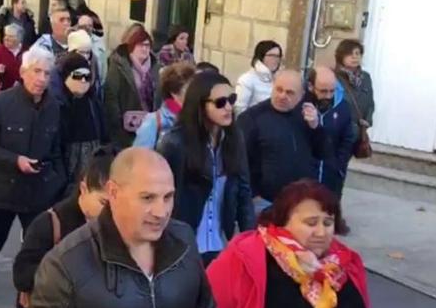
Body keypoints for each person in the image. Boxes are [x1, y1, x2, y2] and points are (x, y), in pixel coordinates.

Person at [22, 147, 217, 308]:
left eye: (168, 197)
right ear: (113, 193)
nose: (161, 212)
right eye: (147, 198)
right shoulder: (66, 264)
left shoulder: (184, 240)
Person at [207, 179, 375, 308]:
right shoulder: (244, 258)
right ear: (283, 221)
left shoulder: (347, 264)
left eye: (327, 223)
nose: (321, 232)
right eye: (311, 223)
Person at [0, 46, 66, 304]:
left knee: (36, 248)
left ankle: (28, 298)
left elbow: (56, 149)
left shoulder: (54, 107)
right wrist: (15, 161)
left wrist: (55, 180)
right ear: (23, 72)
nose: (41, 79)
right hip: (2, 189)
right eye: (36, 71)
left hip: (37, 191)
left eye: (47, 73)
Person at [12, 145, 118, 308]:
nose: (111, 212)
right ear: (84, 188)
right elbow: (22, 276)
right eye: (103, 203)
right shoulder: (50, 223)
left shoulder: (120, 224)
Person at [157, 71, 256, 266]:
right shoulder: (175, 143)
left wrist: (249, 241)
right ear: (200, 105)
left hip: (221, 243)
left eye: (231, 99)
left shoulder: (235, 139)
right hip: (184, 244)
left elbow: (243, 191)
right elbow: (163, 196)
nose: (228, 107)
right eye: (220, 102)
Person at [237, 70, 331, 208]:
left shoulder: (306, 115)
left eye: (290, 92)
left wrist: (316, 127)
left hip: (301, 200)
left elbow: (323, 152)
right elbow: (239, 161)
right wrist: (253, 195)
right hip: (264, 201)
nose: (282, 96)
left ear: (301, 95)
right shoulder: (252, 118)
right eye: (279, 90)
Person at [306, 67, 356, 234]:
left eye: (331, 91)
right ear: (311, 87)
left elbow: (348, 139)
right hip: (306, 167)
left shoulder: (342, 107)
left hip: (331, 169)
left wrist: (339, 165)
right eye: (323, 91)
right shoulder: (300, 104)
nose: (328, 95)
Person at [56, 52, 108, 191]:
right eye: (78, 76)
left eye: (87, 77)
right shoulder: (57, 104)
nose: (83, 81)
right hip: (65, 166)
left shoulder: (93, 102)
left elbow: (103, 133)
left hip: (92, 161)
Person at [104, 27, 161, 148]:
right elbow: (111, 97)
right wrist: (117, 126)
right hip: (126, 128)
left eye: (147, 45)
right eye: (141, 45)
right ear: (132, 46)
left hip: (149, 127)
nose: (145, 49)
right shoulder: (119, 66)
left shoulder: (155, 67)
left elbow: (162, 95)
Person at [133, 61, 195, 149]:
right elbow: (139, 159)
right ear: (174, 92)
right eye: (190, 89)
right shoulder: (152, 123)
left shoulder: (194, 118)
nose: (195, 93)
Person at [334, 38, 375, 134]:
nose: (354, 57)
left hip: (358, 132)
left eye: (357, 54)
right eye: (350, 54)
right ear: (341, 56)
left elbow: (370, 103)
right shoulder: (333, 77)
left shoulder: (366, 77)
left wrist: (367, 121)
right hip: (338, 130)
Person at [235, 40, 283, 115]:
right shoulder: (247, 79)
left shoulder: (280, 79)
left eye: (278, 56)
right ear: (261, 56)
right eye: (271, 55)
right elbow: (239, 110)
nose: (275, 59)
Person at [0, 23, 24, 94]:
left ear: (19, 38)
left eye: (10, 36)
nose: (6, 38)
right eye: (6, 35)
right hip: (1, 92)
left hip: (20, 92)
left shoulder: (26, 52)